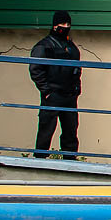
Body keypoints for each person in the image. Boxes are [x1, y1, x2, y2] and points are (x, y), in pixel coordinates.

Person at [30, 10, 83, 158]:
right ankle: (40, 160)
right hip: (52, 95)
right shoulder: (44, 46)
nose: (65, 26)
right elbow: (35, 69)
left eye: (68, 24)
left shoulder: (71, 47)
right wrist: (46, 91)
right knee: (46, 130)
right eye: (62, 24)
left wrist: (77, 88)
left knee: (71, 131)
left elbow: (77, 68)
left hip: (70, 95)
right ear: (54, 25)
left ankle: (70, 161)